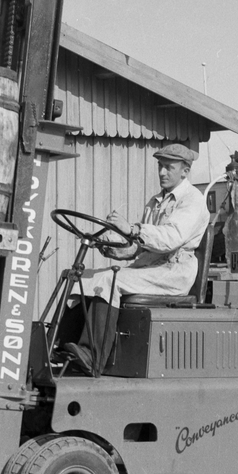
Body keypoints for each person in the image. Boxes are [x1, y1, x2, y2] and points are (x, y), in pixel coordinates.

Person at [60, 143, 210, 374]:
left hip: (173, 272)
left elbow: (170, 238)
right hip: (150, 266)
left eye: (168, 167)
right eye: (160, 166)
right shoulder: (155, 202)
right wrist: (116, 249)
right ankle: (62, 346)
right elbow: (140, 247)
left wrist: (132, 229)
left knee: (109, 282)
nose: (161, 172)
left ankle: (92, 356)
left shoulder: (193, 200)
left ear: (185, 171)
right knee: (83, 277)